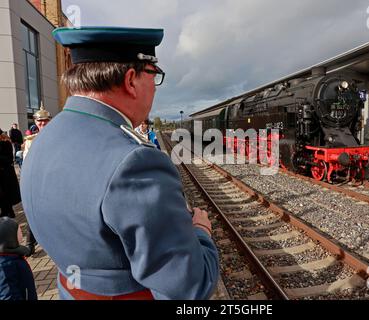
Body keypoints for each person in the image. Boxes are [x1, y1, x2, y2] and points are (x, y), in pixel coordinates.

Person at [20, 26, 219, 300]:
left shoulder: (44, 138)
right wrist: (200, 231)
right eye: (154, 75)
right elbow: (190, 287)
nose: (155, 87)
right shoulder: (134, 161)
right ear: (130, 80)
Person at [20, 106, 52, 257]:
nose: (43, 124)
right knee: (31, 211)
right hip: (36, 181)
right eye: (40, 121)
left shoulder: (57, 136)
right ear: (35, 122)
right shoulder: (30, 141)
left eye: (45, 121)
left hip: (53, 180)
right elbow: (26, 162)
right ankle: (30, 243)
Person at [0, 217, 38, 300]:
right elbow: (8, 296)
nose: (22, 232)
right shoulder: (5, 266)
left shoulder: (12, 254)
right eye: (19, 231)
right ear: (10, 237)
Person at [0, 129, 21, 219]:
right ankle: (4, 212)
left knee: (6, 195)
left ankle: (9, 213)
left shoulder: (7, 143)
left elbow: (8, 160)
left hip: (6, 174)